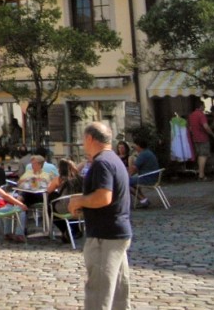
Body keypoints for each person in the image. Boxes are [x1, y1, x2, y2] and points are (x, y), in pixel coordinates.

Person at [69, 121, 131, 310]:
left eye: (83, 139)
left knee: (99, 294)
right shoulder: (114, 159)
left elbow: (104, 197)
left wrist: (80, 201)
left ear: (89, 138)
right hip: (117, 231)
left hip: (105, 235)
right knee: (118, 293)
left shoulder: (102, 163)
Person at [49, 158, 84, 243]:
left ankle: (65, 230)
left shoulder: (59, 179)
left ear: (60, 169)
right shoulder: (81, 179)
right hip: (80, 207)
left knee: (50, 203)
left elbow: (49, 190)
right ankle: (74, 229)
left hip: (65, 208)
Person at [188, 100, 214, 181]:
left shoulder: (191, 115)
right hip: (203, 137)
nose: (204, 107)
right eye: (203, 106)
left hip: (195, 138)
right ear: (200, 106)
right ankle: (201, 175)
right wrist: (212, 134)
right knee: (203, 155)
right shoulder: (201, 115)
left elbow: (190, 128)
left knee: (199, 155)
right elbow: (206, 126)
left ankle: (200, 173)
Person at [128, 139, 159, 208]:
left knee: (125, 182)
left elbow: (133, 168)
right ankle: (144, 200)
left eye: (135, 145)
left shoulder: (143, 154)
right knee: (132, 182)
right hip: (152, 177)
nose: (134, 147)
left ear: (138, 146)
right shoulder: (148, 152)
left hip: (147, 178)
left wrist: (130, 160)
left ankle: (143, 200)